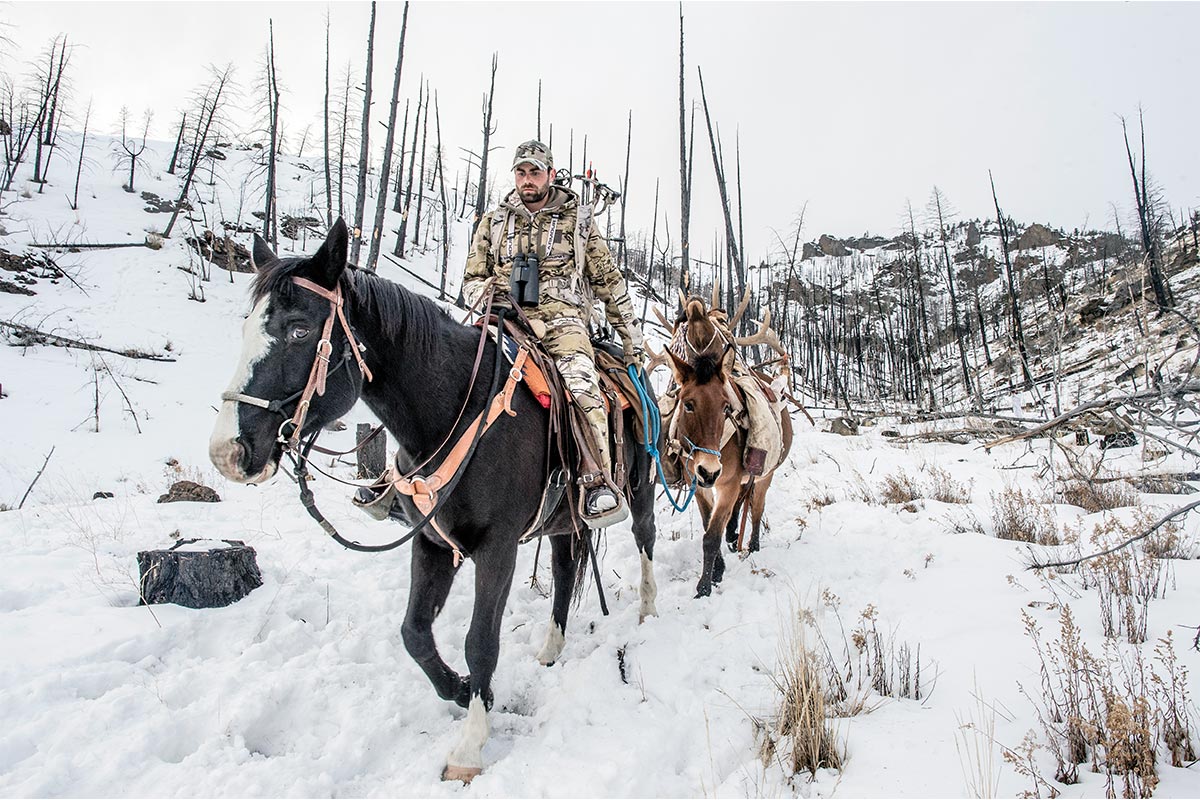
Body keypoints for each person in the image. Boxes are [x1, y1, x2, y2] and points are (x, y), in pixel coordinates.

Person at [461, 140, 643, 527]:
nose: (528, 180)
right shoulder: (492, 223)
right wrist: (490, 297)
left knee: (582, 387)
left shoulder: (578, 221)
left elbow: (608, 280)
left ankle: (596, 482)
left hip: (563, 322)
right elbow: (472, 278)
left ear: (551, 174)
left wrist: (632, 340)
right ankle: (417, 473)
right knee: (452, 366)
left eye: (535, 172)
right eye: (521, 172)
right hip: (503, 316)